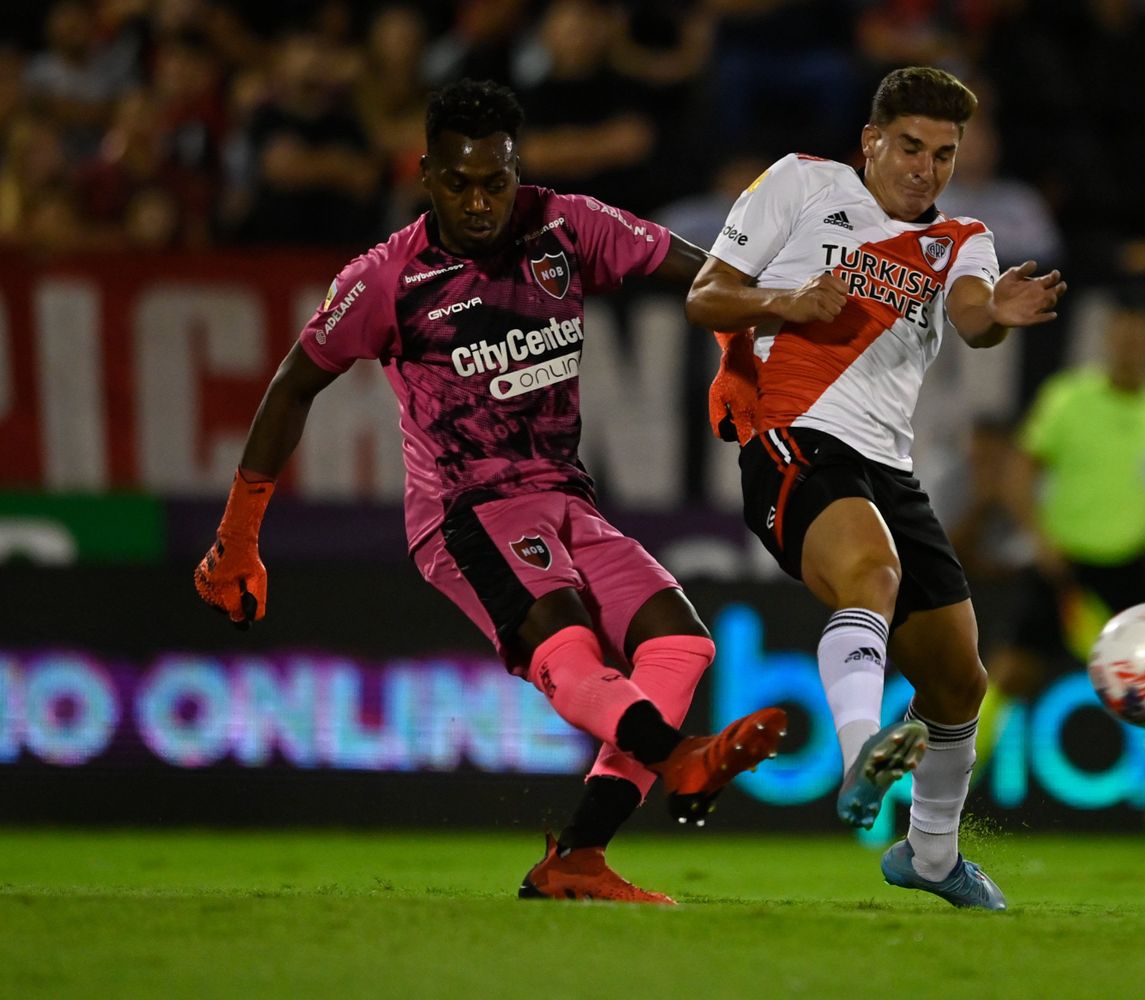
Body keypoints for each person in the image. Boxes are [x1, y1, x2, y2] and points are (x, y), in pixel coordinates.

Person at [193, 79, 785, 904]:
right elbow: (294, 385)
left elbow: (707, 278)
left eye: (496, 182)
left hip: (566, 498)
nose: (480, 202)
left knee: (683, 646)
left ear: (517, 170)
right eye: (460, 183)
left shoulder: (566, 226)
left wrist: (737, 351)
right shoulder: (385, 278)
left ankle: (575, 860)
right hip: (465, 513)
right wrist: (238, 534)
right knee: (569, 642)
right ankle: (680, 758)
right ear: (426, 174)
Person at [685, 66, 1067, 910]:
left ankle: (931, 856)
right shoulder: (798, 184)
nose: (924, 167)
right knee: (873, 574)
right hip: (786, 435)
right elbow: (705, 297)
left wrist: (997, 314)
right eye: (909, 146)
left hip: (888, 469)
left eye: (943, 152)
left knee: (960, 681)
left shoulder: (963, 238)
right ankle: (862, 751)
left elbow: (969, 315)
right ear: (870, 141)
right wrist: (786, 303)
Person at [994, 302, 1145, 831]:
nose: (1133, 351)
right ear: (1108, 341)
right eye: (1124, 340)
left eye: (1143, 342)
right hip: (1065, 566)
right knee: (1011, 676)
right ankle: (935, 797)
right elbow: (1018, 470)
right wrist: (1037, 537)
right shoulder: (1068, 399)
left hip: (1133, 569)